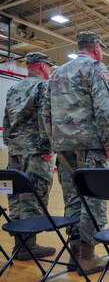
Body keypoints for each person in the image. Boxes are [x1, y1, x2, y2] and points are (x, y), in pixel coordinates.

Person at [45, 31, 109, 275]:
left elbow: (45, 113)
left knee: (72, 198)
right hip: (89, 145)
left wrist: (53, 140)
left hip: (63, 146)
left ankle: (74, 255)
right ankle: (88, 256)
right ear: (96, 48)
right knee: (93, 200)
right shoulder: (96, 68)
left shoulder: (56, 73)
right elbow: (105, 110)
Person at [2, 52, 56, 260]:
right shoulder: (42, 86)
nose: (49, 71)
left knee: (15, 195)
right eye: (49, 67)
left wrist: (10, 143)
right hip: (35, 152)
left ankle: (19, 245)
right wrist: (46, 147)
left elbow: (6, 118)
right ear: (42, 66)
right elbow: (45, 118)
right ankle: (29, 246)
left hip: (15, 151)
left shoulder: (14, 88)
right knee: (35, 195)